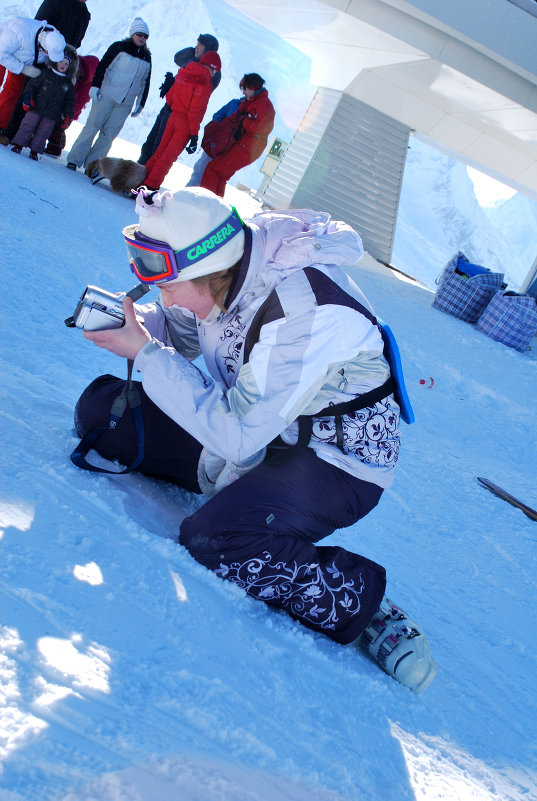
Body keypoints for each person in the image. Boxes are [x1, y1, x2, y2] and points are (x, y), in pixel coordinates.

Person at [73, 186, 437, 694]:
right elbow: (178, 331)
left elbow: (237, 436)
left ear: (210, 272)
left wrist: (147, 355)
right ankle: (247, 501)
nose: (162, 294)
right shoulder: (223, 267)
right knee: (102, 414)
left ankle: (358, 598)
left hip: (333, 461)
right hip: (257, 427)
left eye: (169, 285)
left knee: (215, 538)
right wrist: (130, 325)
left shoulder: (305, 309)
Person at [66, 17, 151, 174]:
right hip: (106, 94)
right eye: (139, 34)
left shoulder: (147, 57)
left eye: (145, 36)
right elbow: (103, 66)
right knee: (92, 126)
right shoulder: (119, 48)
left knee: (109, 135)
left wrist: (141, 102)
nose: (142, 38)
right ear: (132, 33)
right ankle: (74, 159)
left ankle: (92, 166)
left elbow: (145, 82)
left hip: (125, 103)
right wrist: (95, 86)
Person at [142, 51, 221, 191]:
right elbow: (195, 112)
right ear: (212, 68)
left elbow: (170, 98)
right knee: (167, 158)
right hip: (184, 124)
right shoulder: (204, 83)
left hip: (172, 118)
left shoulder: (185, 72)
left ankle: (141, 180)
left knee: (159, 153)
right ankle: (149, 187)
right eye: (216, 71)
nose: (215, 74)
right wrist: (194, 135)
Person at [138, 33, 220, 167]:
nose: (196, 47)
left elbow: (193, 90)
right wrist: (173, 84)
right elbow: (177, 58)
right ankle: (137, 171)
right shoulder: (193, 60)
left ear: (208, 50)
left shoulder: (213, 72)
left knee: (157, 148)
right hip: (168, 107)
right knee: (150, 143)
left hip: (178, 113)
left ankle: (144, 179)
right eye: (197, 44)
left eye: (200, 45)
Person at [200, 73, 275, 198]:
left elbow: (262, 129)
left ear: (252, 87)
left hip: (249, 148)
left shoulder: (264, 105)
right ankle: (216, 207)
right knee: (221, 174)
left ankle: (205, 203)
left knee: (213, 169)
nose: (243, 92)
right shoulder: (252, 101)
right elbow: (237, 117)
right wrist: (218, 128)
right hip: (244, 144)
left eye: (244, 88)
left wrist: (243, 121)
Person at [0, 17, 66, 143]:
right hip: (2, 48)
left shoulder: (55, 39)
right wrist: (22, 68)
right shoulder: (19, 32)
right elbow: (2, 54)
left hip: (21, 58)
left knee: (14, 90)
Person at [10, 46, 76, 159]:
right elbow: (32, 86)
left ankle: (35, 151)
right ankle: (18, 144)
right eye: (61, 61)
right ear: (55, 61)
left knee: (43, 133)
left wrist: (68, 115)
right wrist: (28, 97)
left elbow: (69, 101)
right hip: (36, 107)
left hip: (52, 114)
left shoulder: (68, 83)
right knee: (27, 125)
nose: (63, 65)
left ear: (70, 66)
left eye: (66, 63)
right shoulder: (46, 73)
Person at [43, 53, 98, 158]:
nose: (78, 71)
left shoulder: (86, 86)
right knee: (55, 125)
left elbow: (78, 103)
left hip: (69, 111)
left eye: (81, 70)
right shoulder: (71, 74)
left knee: (58, 127)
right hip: (60, 105)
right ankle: (60, 143)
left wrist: (68, 114)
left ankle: (54, 148)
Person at [185, 95, 241, 187]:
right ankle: (188, 191)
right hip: (215, 144)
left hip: (227, 151)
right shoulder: (234, 103)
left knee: (212, 176)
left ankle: (197, 196)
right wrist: (224, 124)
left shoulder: (249, 114)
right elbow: (216, 115)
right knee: (200, 168)